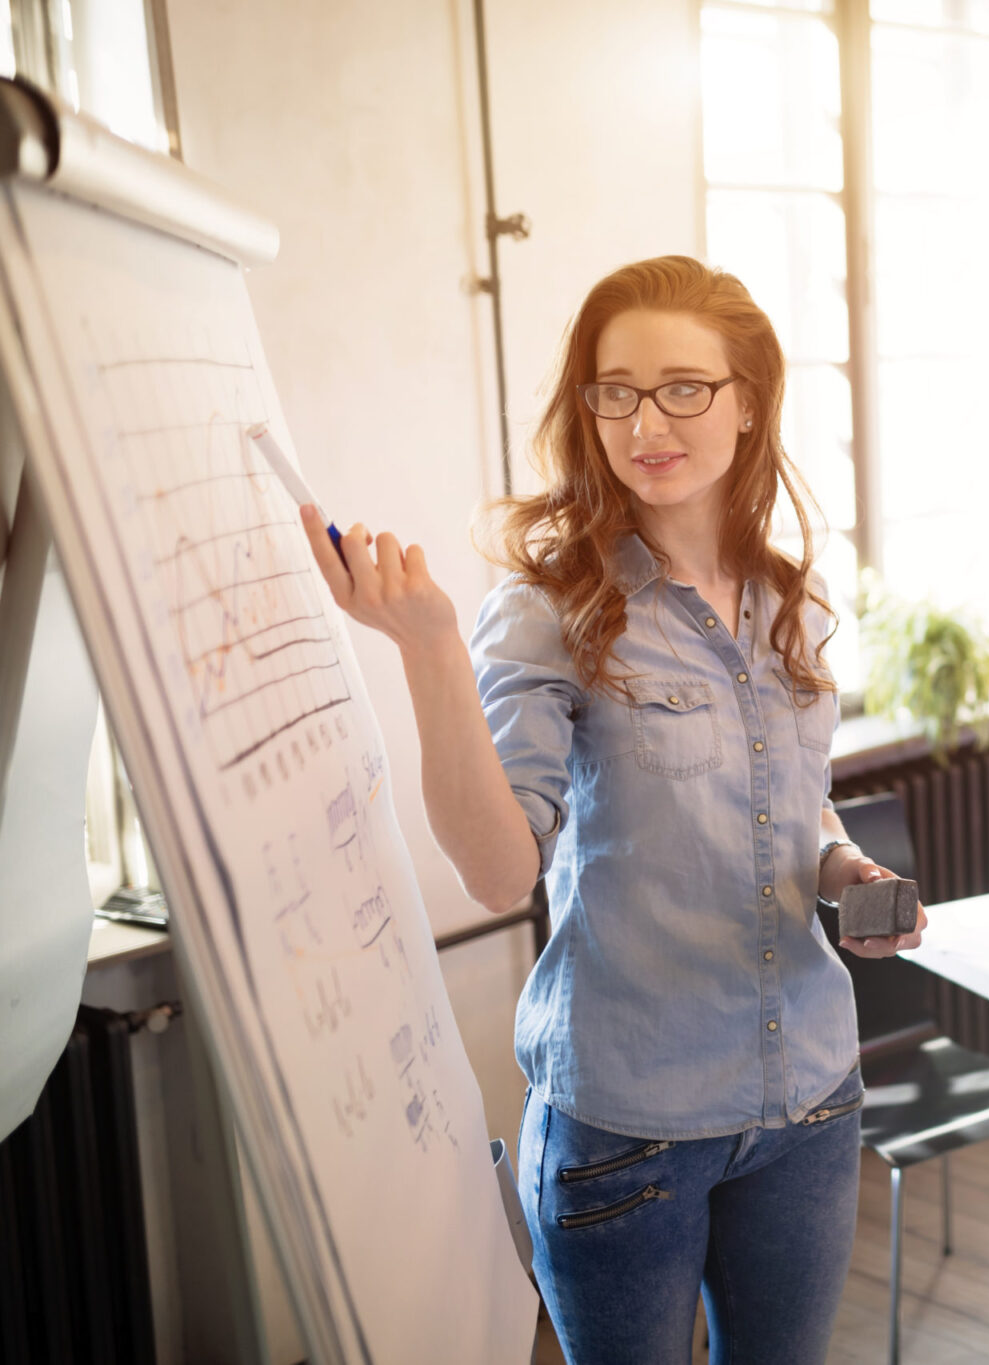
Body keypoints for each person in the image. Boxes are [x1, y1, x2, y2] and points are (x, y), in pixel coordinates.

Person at [298, 256, 919, 1362]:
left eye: (684, 386)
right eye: (614, 389)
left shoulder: (791, 602)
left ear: (748, 400)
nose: (646, 420)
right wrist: (433, 653)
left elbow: (800, 803)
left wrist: (843, 870)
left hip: (812, 1099)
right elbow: (498, 874)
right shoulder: (548, 609)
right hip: (628, 1127)